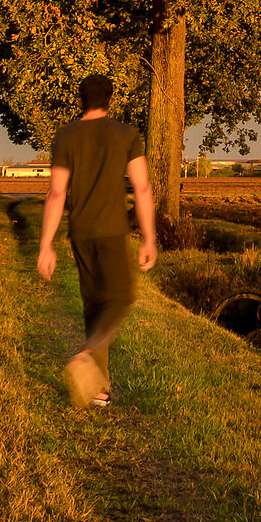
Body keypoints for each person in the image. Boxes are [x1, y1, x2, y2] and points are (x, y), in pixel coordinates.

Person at [36, 72, 158, 408]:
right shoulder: (126, 134)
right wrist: (149, 238)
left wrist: (46, 245)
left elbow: (57, 192)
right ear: (110, 100)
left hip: (81, 232)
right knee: (120, 297)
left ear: (80, 100)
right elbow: (143, 188)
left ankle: (98, 390)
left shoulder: (66, 136)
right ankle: (88, 355)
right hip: (112, 230)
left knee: (94, 302)